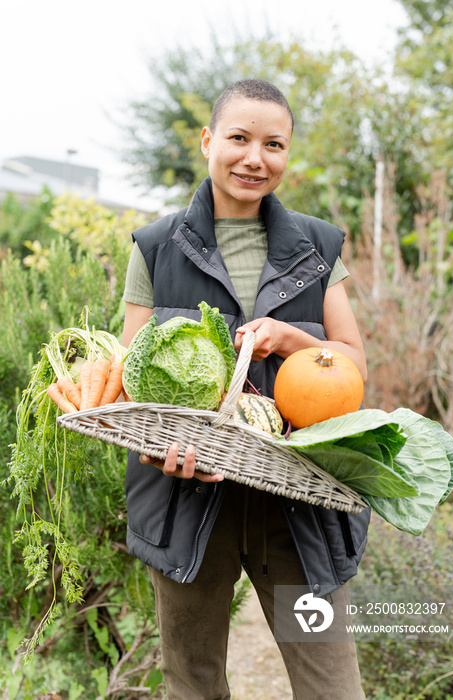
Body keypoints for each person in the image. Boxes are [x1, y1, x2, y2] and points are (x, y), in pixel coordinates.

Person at [121, 79, 370, 700]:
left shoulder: (317, 247)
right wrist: (158, 450)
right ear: (208, 141)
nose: (255, 157)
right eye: (239, 138)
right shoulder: (155, 247)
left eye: (274, 144)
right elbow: (130, 384)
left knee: (332, 686)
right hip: (186, 497)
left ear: (288, 154)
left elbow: (354, 364)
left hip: (300, 501)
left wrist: (292, 342)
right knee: (194, 683)